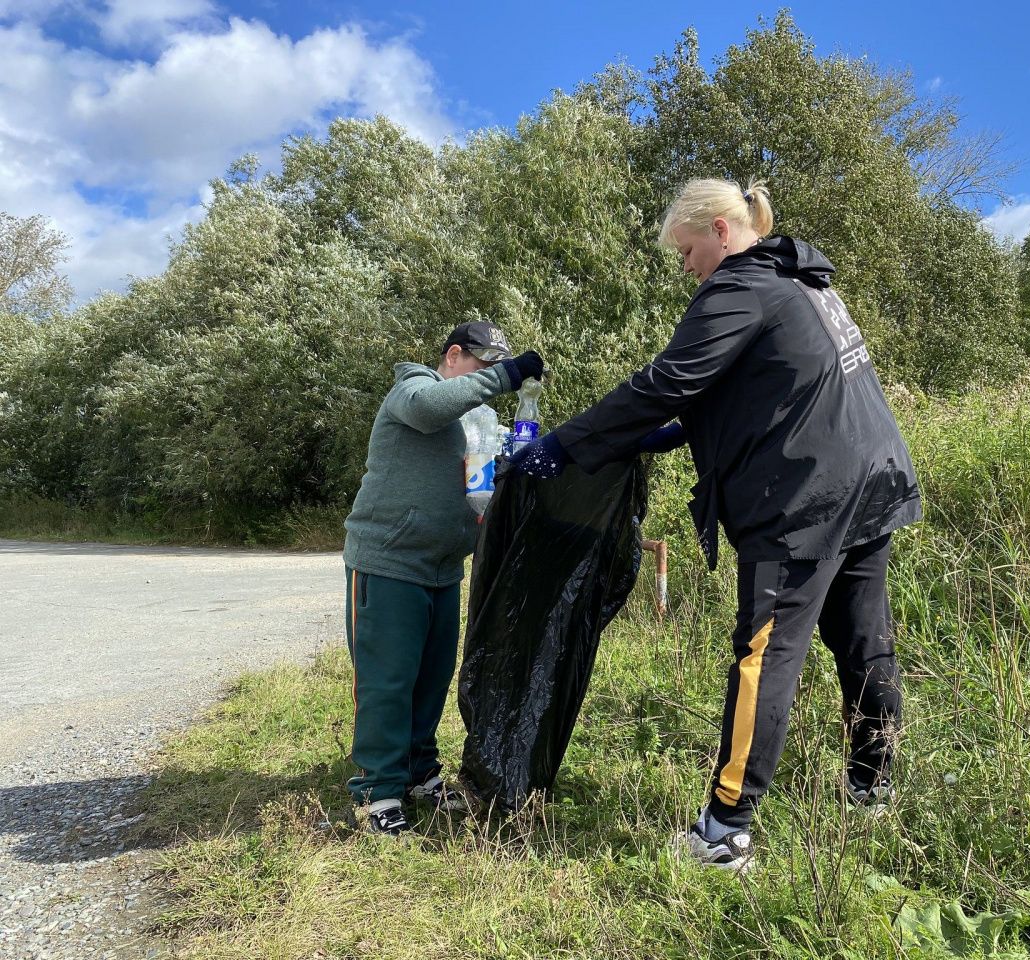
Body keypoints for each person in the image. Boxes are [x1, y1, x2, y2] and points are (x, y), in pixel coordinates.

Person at [508, 179, 921, 871]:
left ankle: (725, 832)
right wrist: (656, 438)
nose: (688, 268)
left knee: (766, 654)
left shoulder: (740, 285)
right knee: (864, 642)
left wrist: (565, 445)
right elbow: (765, 387)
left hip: (805, 500)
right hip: (871, 480)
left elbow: (668, 381)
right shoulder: (801, 280)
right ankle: (871, 788)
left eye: (688, 251)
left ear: (721, 232)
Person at [343, 321, 543, 834]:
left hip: (443, 569)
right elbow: (429, 408)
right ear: (453, 355)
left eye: (497, 368)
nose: (490, 377)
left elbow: (494, 474)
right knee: (389, 681)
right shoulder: (412, 390)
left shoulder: (476, 420)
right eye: (484, 365)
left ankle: (418, 774)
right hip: (388, 562)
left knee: (430, 680)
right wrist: (507, 376)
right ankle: (377, 792)